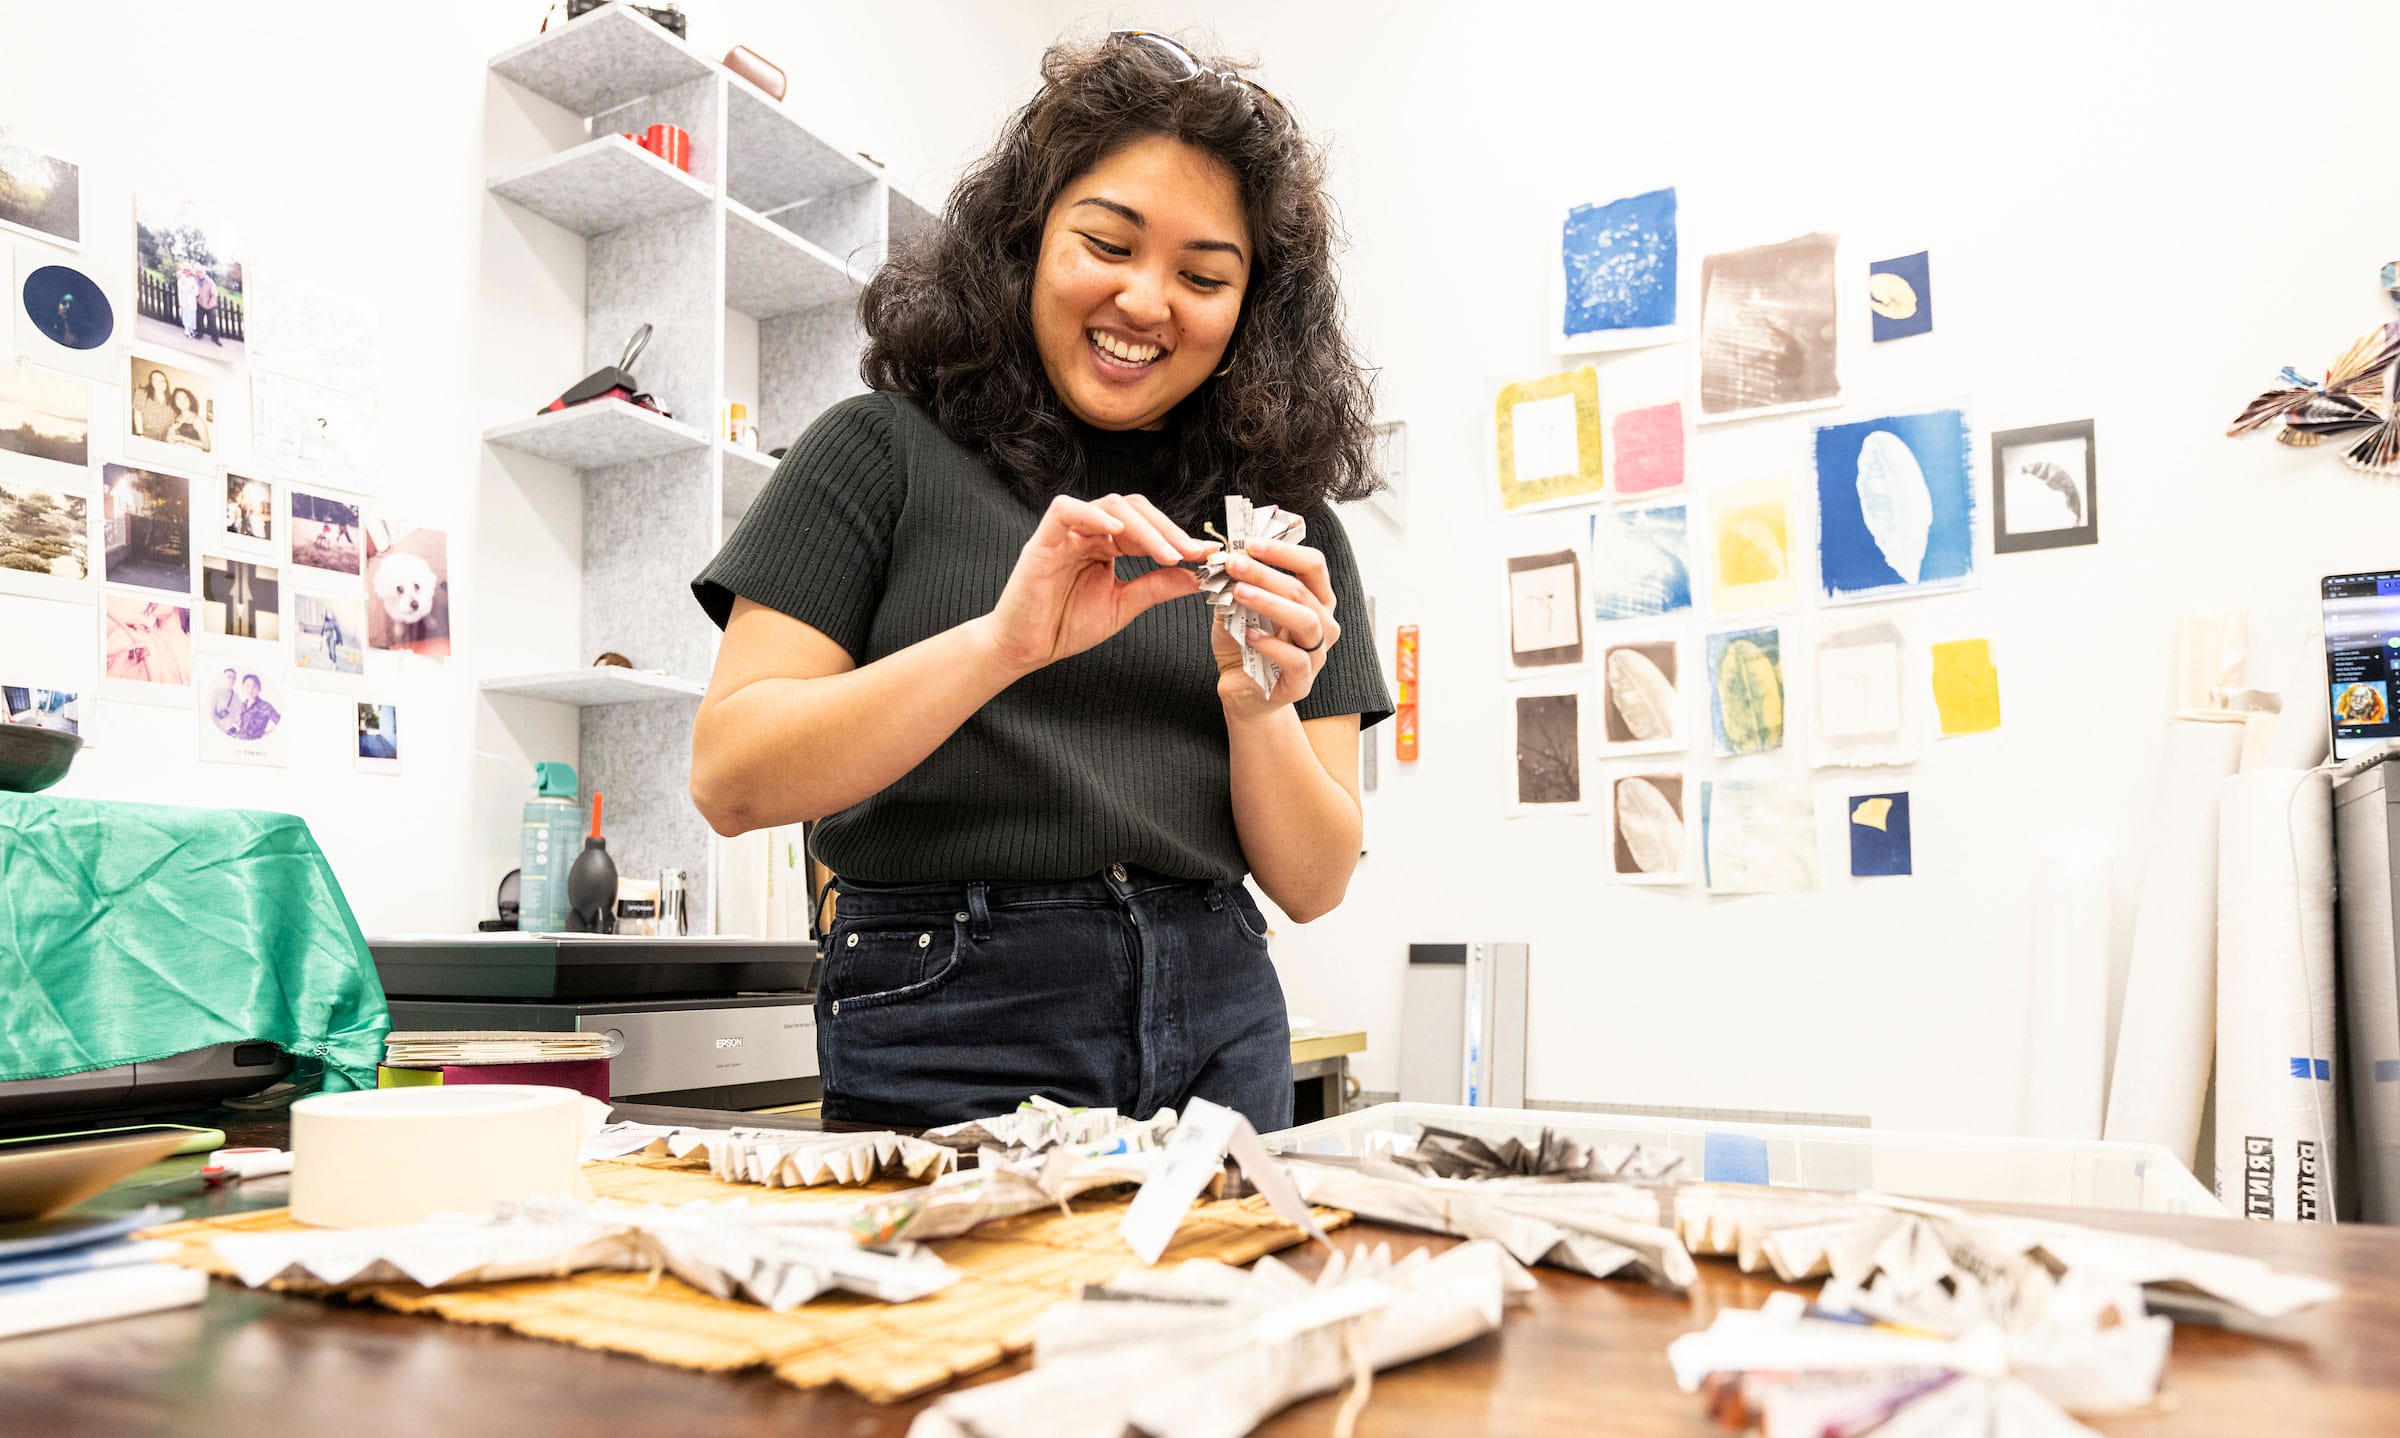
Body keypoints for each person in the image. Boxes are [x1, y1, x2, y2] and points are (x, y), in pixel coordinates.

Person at [689, 33, 1386, 1132]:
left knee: (1215, 1307)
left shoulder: (1287, 529)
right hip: (949, 1002)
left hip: (1220, 1009)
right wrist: (1002, 644)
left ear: (1252, 310)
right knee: (964, 1312)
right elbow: (732, 777)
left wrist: (1260, 706)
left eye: (1204, 276)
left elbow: (1311, 881)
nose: (1147, 302)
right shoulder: (878, 453)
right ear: (1026, 240)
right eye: (1107, 243)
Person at [232, 674, 279, 742]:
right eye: (247, 686)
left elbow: (281, 723)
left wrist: (267, 734)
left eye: (254, 686)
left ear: (259, 689)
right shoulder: (241, 705)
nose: (250, 689)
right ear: (243, 688)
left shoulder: (266, 706)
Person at [132, 369, 173, 442]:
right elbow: (137, 414)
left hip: (164, 438)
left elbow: (172, 420)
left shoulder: (171, 400)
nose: (159, 383)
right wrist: (140, 434)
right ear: (151, 382)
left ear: (166, 383)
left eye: (162, 381)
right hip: (147, 435)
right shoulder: (142, 392)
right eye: (155, 380)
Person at [207, 667, 239, 733]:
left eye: (234, 678)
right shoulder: (215, 692)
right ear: (223, 677)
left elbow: (238, 714)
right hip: (218, 730)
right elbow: (211, 714)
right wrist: (220, 730)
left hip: (232, 731)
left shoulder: (236, 696)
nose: (231, 680)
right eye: (229, 677)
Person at [175, 263, 198, 338]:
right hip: (184, 300)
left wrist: (192, 290)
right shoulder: (180, 280)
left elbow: (196, 290)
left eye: (188, 270)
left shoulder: (192, 279)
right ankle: (186, 329)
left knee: (192, 315)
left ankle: (191, 329)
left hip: (192, 300)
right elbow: (183, 289)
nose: (186, 272)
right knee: (186, 314)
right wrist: (190, 288)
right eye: (185, 270)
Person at [197, 271, 220, 345]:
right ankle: (200, 334)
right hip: (201, 304)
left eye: (200, 273)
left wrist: (209, 304)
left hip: (210, 305)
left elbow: (214, 294)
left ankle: (215, 338)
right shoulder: (197, 279)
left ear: (204, 274)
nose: (199, 274)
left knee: (212, 322)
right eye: (198, 273)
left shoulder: (210, 282)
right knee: (199, 320)